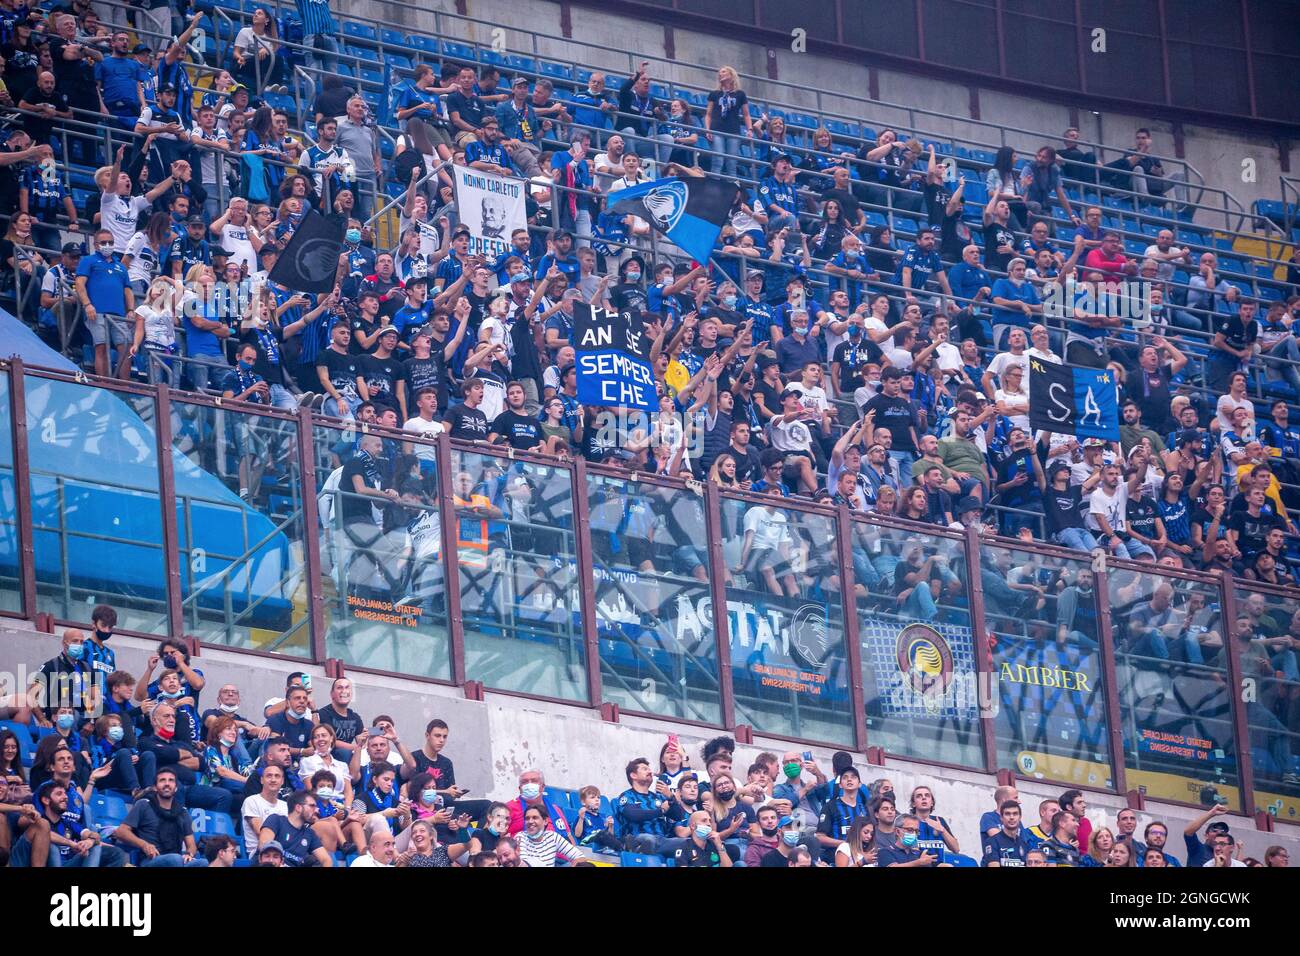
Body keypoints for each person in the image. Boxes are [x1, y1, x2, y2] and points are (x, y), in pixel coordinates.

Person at [111, 769, 208, 867]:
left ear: (176, 788)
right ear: (155, 787)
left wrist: (189, 854)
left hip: (177, 860)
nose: (167, 783)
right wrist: (144, 845)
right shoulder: (143, 805)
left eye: (171, 780)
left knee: (204, 863)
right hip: (151, 860)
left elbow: (191, 845)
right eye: (162, 780)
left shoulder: (183, 812)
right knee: (175, 859)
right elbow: (121, 832)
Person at [258, 789, 333, 868]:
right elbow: (264, 844)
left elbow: (326, 860)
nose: (317, 810)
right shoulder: (276, 820)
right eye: (312, 806)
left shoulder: (310, 833)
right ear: (298, 808)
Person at [981, 800, 1031, 867]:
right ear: (1001, 818)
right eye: (1007, 814)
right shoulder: (992, 842)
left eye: (1015, 814)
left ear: (1020, 817)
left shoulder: (1024, 844)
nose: (1011, 817)